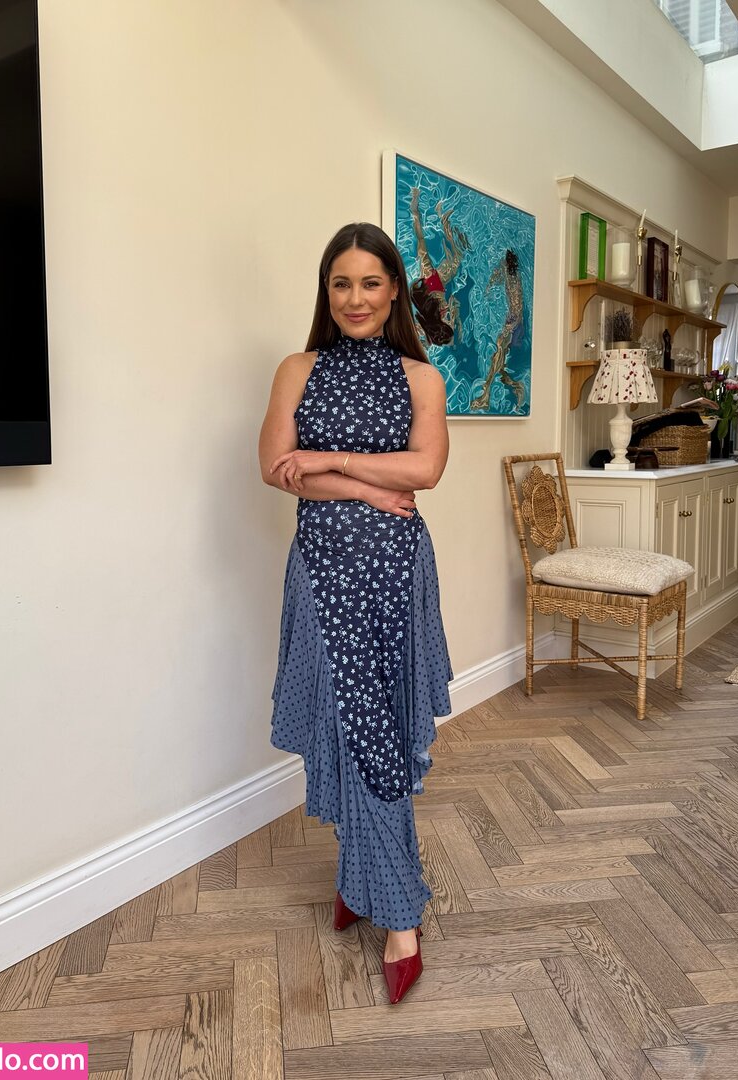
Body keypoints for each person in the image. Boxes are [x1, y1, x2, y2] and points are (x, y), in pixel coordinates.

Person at [258, 222, 453, 1005]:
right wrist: (368, 487)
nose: (355, 298)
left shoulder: (421, 378)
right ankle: (373, 889)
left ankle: (388, 905)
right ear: (326, 291)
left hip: (395, 573)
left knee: (379, 730)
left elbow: (426, 469)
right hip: (321, 569)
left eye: (370, 282)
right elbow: (275, 467)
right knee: (346, 727)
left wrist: (329, 461)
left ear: (394, 290)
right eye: (340, 283)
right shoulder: (297, 369)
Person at [408, 187, 470, 346]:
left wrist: (455, 317)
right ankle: (424, 213)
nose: (451, 324)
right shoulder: (427, 325)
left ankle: (435, 216)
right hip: (433, 283)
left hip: (434, 283)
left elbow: (453, 301)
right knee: (424, 244)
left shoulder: (440, 320)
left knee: (456, 255)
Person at [470, 248, 525, 412]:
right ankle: (515, 386)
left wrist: (509, 327)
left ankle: (485, 395)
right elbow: (496, 277)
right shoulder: (512, 276)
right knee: (499, 364)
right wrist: (489, 285)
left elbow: (517, 307)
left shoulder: (513, 280)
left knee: (497, 355)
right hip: (513, 322)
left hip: (513, 323)